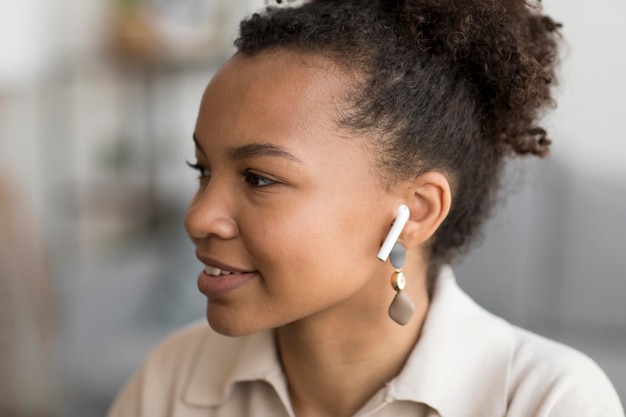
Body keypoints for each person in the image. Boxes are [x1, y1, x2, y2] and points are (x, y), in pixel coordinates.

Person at [107, 0, 625, 416]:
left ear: (416, 211)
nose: (197, 218)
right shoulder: (172, 380)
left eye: (259, 177)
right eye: (202, 170)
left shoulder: (548, 401)